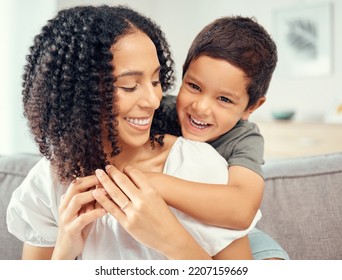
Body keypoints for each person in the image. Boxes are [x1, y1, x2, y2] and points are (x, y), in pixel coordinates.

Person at [6, 5, 259, 260]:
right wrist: (64, 250)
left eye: (156, 81)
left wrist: (171, 239)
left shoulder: (196, 165)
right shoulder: (47, 183)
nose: (154, 100)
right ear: (80, 94)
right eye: (129, 86)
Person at [147, 16, 289, 260]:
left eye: (224, 99)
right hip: (174, 235)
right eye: (194, 86)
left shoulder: (244, 137)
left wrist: (153, 184)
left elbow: (241, 209)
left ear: (251, 107)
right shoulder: (159, 112)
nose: (201, 107)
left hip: (234, 238)